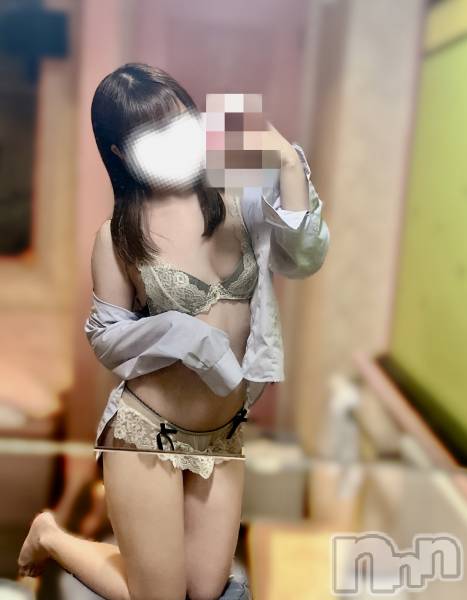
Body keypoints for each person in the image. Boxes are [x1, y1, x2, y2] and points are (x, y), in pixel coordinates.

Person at [17, 63, 330, 600]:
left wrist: (285, 161)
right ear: (121, 152)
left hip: (224, 431)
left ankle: (53, 535)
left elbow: (304, 258)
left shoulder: (239, 195)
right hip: (147, 432)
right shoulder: (118, 235)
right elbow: (106, 337)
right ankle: (50, 535)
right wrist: (183, 333)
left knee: (206, 592)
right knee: (157, 596)